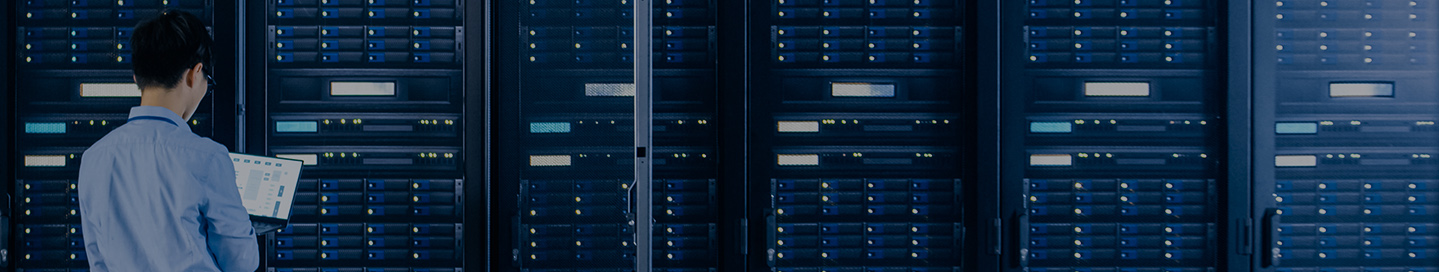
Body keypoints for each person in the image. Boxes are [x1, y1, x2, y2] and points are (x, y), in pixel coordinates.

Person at [76, 10, 259, 272]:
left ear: (136, 77)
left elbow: (98, 262)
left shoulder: (94, 157)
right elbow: (242, 262)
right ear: (194, 75)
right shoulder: (207, 157)